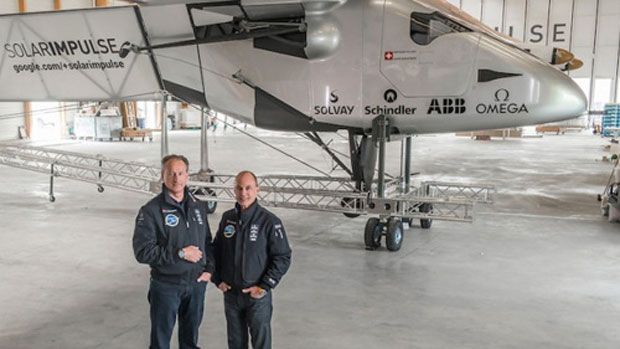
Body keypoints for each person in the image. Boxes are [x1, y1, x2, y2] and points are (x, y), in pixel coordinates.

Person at [132, 154, 215, 349]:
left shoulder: (198, 206)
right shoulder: (151, 211)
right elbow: (142, 251)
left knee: (190, 340)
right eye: (171, 174)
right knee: (161, 341)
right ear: (163, 176)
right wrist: (180, 254)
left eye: (180, 173)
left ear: (187, 176)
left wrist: (209, 269)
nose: (176, 178)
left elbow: (207, 241)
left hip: (196, 285)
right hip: (166, 286)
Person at [212, 171, 292, 349]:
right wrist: (217, 279)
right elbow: (216, 250)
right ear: (234, 190)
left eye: (248, 188)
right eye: (239, 188)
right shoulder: (228, 219)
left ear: (257, 189)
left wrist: (265, 285)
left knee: (261, 343)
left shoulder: (270, 221)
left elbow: (283, 256)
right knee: (235, 343)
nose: (243, 193)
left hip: (257, 297)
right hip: (232, 295)